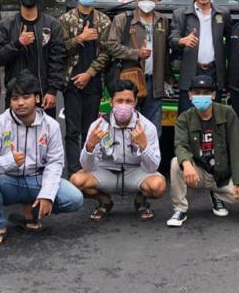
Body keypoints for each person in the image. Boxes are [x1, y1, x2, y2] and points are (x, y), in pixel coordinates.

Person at [0, 72, 84, 247]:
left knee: (74, 199)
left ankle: (31, 212)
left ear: (37, 98)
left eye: (26, 97)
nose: (20, 103)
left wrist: (47, 195)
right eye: (15, 98)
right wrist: (9, 161)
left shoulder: (51, 125)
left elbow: (55, 163)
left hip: (36, 180)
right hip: (7, 181)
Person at [70, 79, 167, 221]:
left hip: (135, 173)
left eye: (129, 101)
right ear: (111, 102)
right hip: (107, 172)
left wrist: (144, 146)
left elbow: (152, 167)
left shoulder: (147, 127)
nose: (124, 106)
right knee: (76, 181)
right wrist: (89, 146)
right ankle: (104, 200)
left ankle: (140, 200)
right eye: (119, 101)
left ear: (135, 102)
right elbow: (88, 167)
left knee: (158, 186)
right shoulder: (98, 126)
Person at [166, 75, 239, 227]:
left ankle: (216, 194)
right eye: (197, 93)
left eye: (205, 93)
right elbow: (180, 145)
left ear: (213, 95)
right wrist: (186, 163)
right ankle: (180, 209)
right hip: (198, 172)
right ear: (190, 95)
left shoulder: (227, 113)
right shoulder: (185, 118)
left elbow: (237, 147)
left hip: (221, 175)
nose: (201, 96)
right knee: (175, 163)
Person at [0, 0, 66, 118]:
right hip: (16, 95)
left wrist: (52, 90)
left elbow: (57, 60)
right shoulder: (7, 25)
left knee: (45, 131)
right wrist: (17, 43)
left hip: (43, 94)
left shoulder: (52, 25)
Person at [59, 0, 113, 174]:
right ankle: (74, 171)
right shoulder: (65, 19)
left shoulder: (104, 21)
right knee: (72, 130)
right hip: (71, 81)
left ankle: (89, 168)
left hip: (94, 82)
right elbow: (60, 49)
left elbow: (107, 53)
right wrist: (80, 38)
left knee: (90, 129)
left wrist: (89, 74)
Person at [108, 0, 172, 134]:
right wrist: (136, 53)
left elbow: (166, 52)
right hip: (130, 83)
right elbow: (111, 46)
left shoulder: (162, 20)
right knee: (127, 128)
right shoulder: (123, 19)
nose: (147, 1)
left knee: (153, 130)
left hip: (155, 83)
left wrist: (168, 79)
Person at [170, 0, 230, 113]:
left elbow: (230, 43)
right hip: (191, 73)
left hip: (214, 74)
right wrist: (182, 41)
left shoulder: (223, 14)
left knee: (213, 118)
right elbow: (172, 39)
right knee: (186, 118)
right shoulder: (180, 14)